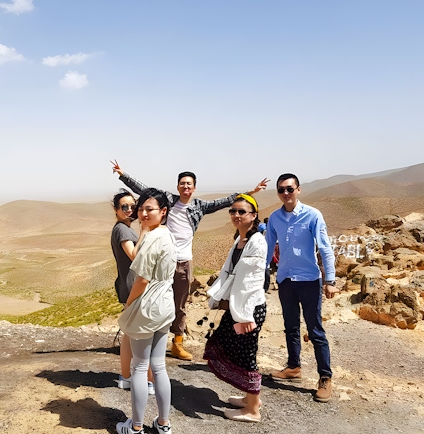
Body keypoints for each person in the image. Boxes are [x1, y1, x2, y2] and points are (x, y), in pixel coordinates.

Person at [112, 159, 268, 360]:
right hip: (162, 260)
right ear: (177, 186)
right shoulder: (168, 200)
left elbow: (225, 201)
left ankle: (177, 343)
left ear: (194, 187)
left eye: (189, 184)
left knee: (180, 303)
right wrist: (122, 174)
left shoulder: (199, 206)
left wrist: (251, 193)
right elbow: (144, 190)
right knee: (154, 298)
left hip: (184, 261)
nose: (185, 186)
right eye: (182, 183)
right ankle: (148, 339)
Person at [265, 173, 338, 402]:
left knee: (315, 330)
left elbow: (325, 247)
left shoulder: (312, 215)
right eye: (281, 190)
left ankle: (325, 377)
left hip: (309, 280)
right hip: (286, 279)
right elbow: (268, 248)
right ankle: (294, 367)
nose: (285, 194)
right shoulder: (275, 218)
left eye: (289, 189)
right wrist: (262, 274)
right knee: (290, 327)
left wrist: (330, 281)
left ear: (298, 190)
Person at [116, 188, 176, 434]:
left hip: (149, 305)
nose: (142, 213)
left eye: (149, 209)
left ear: (163, 211)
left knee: (140, 367)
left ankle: (137, 427)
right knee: (159, 366)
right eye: (141, 209)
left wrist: (130, 304)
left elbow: (141, 280)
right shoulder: (166, 234)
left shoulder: (151, 238)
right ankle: (164, 424)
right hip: (165, 303)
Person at [204, 194, 267, 423]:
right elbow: (229, 273)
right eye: (233, 211)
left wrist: (242, 316)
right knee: (233, 348)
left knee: (247, 355)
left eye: (242, 211)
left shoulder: (257, 242)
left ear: (253, 216)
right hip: (239, 308)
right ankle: (251, 398)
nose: (236, 215)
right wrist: (216, 296)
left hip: (247, 311)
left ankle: (253, 410)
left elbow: (248, 284)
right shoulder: (240, 240)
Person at [109, 189, 155, 396]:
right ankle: (148, 380)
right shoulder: (123, 230)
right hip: (133, 286)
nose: (129, 210)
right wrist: (145, 228)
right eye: (124, 207)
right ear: (116, 210)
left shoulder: (124, 227)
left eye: (132, 206)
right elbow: (134, 255)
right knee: (143, 334)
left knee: (129, 334)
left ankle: (127, 377)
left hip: (128, 285)